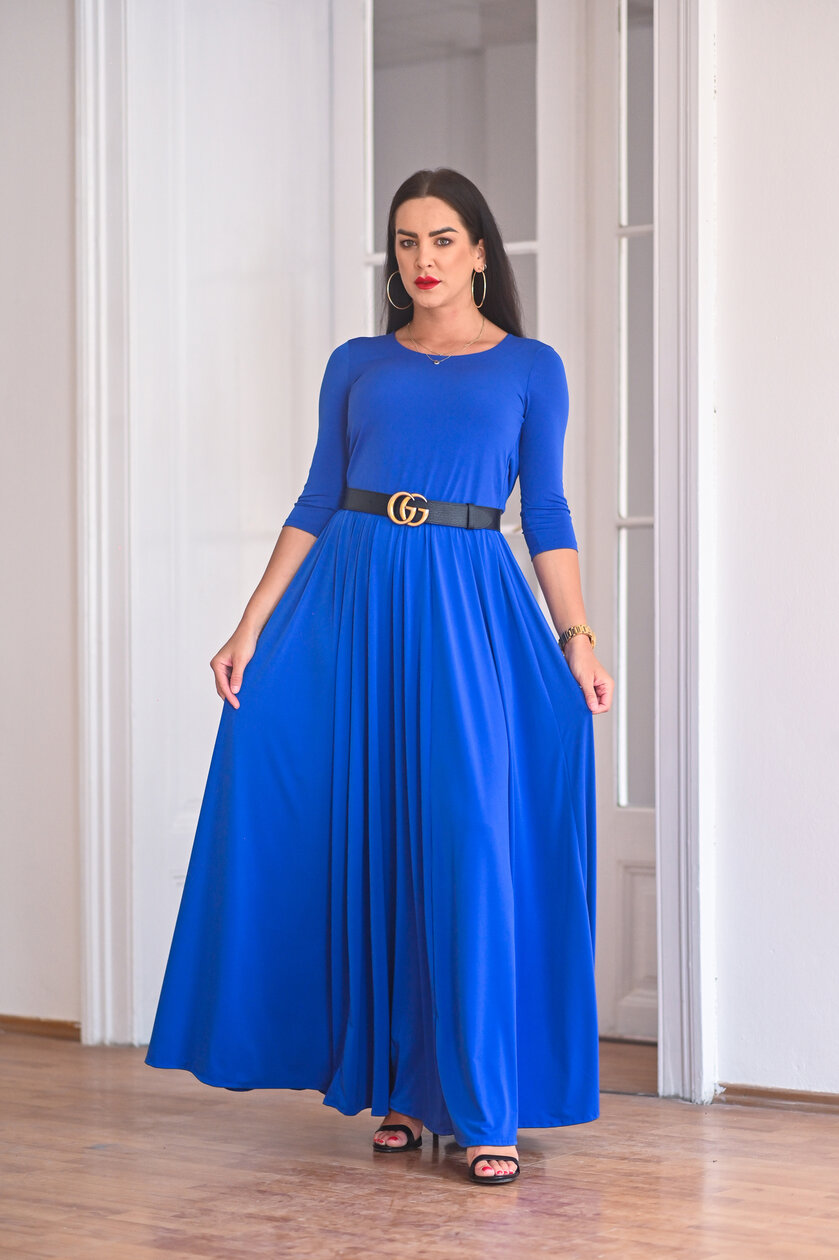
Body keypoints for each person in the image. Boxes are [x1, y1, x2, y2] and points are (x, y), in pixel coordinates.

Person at [145, 167, 615, 1187]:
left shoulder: (529, 367)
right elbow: (317, 497)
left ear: (479, 252)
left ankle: (484, 1105)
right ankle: (399, 1087)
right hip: (353, 606)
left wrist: (575, 634)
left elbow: (545, 512)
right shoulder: (356, 363)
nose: (422, 260)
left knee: (467, 839)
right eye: (406, 241)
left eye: (442, 240)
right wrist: (248, 628)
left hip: (467, 612)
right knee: (375, 838)